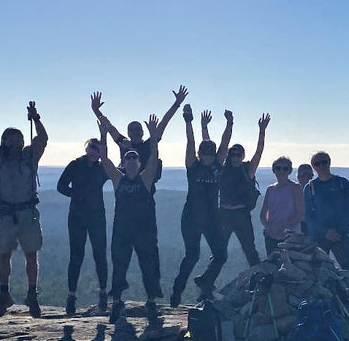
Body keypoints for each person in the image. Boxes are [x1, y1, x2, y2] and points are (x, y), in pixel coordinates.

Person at [0, 99, 48, 318]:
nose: (15, 141)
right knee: (6, 255)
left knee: (29, 255)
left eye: (18, 138)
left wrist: (36, 118)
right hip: (9, 214)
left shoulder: (28, 156)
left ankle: (31, 294)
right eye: (11, 138)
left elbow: (43, 139)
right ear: (5, 141)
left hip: (24, 212)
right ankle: (6, 294)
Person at [195, 111, 271, 300]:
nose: (235, 156)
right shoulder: (222, 168)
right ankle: (206, 286)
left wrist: (261, 131)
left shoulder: (248, 169)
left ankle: (258, 282)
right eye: (233, 154)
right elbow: (210, 149)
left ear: (242, 156)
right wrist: (205, 127)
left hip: (241, 216)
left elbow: (259, 151)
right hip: (224, 215)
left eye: (238, 154)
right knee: (219, 253)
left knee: (249, 250)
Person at [96, 114, 163, 324]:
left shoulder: (146, 178)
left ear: (139, 162)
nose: (132, 160)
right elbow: (105, 159)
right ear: (123, 162)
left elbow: (154, 158)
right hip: (122, 230)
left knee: (148, 265)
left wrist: (153, 137)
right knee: (119, 265)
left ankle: (151, 303)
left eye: (135, 158)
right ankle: (117, 303)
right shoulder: (118, 179)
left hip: (144, 229)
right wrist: (103, 135)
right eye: (128, 158)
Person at [169, 107, 233, 307]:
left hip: (212, 218)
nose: (207, 156)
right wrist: (188, 121)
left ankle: (206, 282)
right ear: (199, 154)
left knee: (221, 254)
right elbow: (190, 142)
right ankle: (177, 290)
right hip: (191, 218)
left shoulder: (217, 165)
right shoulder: (193, 166)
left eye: (210, 153)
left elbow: (225, 143)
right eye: (204, 153)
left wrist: (230, 123)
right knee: (192, 255)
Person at [57, 136, 110, 316]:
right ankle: (71, 297)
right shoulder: (75, 164)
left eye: (98, 149)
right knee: (76, 256)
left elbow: (118, 174)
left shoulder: (102, 168)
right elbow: (60, 186)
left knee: (100, 255)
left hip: (96, 216)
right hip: (78, 216)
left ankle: (103, 294)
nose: (95, 151)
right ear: (87, 148)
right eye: (93, 147)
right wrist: (76, 195)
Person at [91, 86, 188, 179]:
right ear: (128, 133)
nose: (135, 132)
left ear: (142, 132)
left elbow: (164, 123)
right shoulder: (124, 143)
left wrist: (177, 104)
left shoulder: (149, 144)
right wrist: (96, 110)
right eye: (132, 129)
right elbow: (109, 127)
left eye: (137, 129)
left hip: (145, 190)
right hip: (125, 189)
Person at [304, 151, 349, 293]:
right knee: (318, 272)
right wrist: (325, 232)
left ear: (329, 162)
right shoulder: (309, 188)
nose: (321, 166)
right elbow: (307, 216)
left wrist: (338, 230)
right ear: (313, 166)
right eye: (317, 163)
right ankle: (324, 300)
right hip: (320, 237)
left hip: (339, 234)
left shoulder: (342, 183)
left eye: (324, 162)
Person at [260, 156, 305, 256]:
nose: (281, 171)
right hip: (271, 237)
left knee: (290, 267)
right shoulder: (270, 189)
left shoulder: (296, 188)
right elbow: (263, 214)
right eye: (278, 168)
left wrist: (283, 228)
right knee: (273, 267)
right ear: (274, 170)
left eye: (285, 168)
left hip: (291, 237)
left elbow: (300, 214)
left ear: (290, 171)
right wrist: (268, 227)